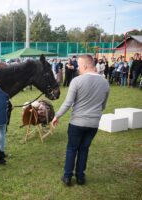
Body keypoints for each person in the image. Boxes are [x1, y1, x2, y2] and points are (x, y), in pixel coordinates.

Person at [52, 54, 109, 186]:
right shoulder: (105, 82)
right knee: (84, 149)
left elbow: (67, 103)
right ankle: (80, 177)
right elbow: (103, 106)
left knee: (72, 148)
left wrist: (57, 116)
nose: (77, 68)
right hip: (93, 124)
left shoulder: (76, 81)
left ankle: (67, 177)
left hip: (77, 123)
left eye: (78, 65)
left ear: (84, 65)